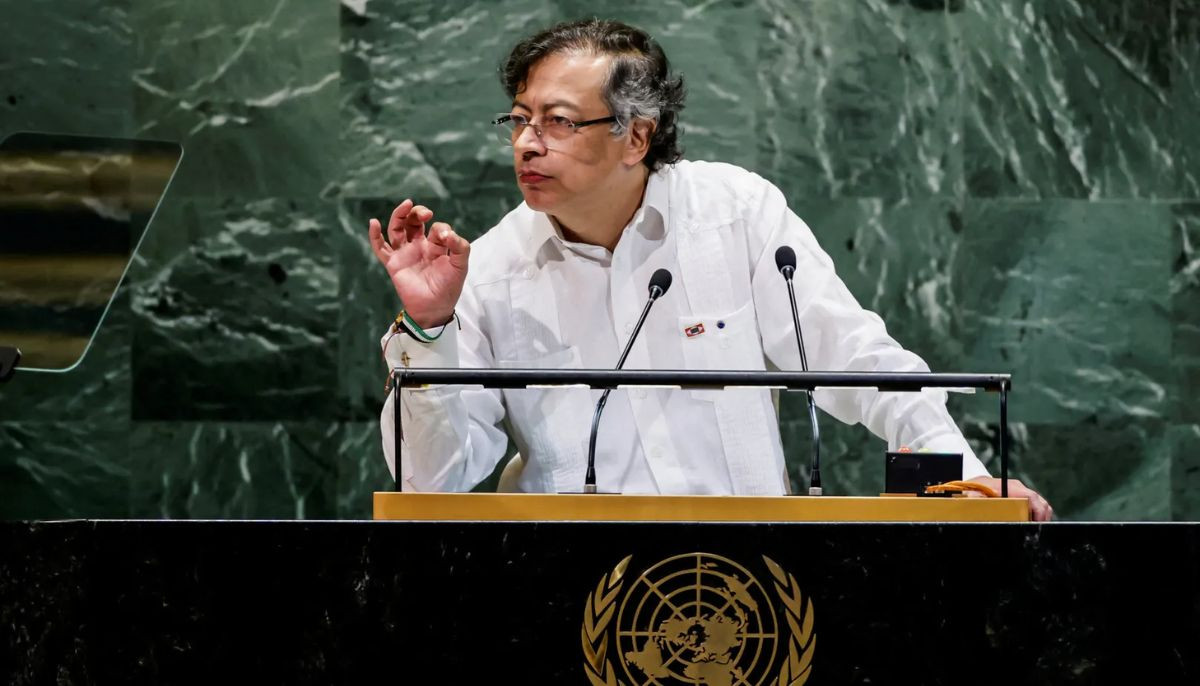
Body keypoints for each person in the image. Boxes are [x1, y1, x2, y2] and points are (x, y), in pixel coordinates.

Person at [367, 19, 1053, 521]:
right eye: (518, 120)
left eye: (558, 122)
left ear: (636, 136)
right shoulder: (490, 270)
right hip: (569, 596)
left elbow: (858, 362)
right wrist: (429, 329)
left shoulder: (734, 214)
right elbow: (434, 482)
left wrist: (969, 486)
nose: (526, 143)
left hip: (751, 586)